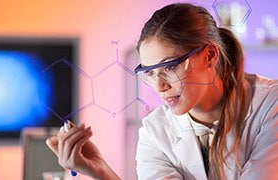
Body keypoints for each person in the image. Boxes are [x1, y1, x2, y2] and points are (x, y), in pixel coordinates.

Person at [46, 3, 278, 179]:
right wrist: (103, 172)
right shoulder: (155, 132)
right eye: (149, 72)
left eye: (169, 67)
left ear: (209, 55)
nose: (160, 86)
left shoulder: (270, 105)